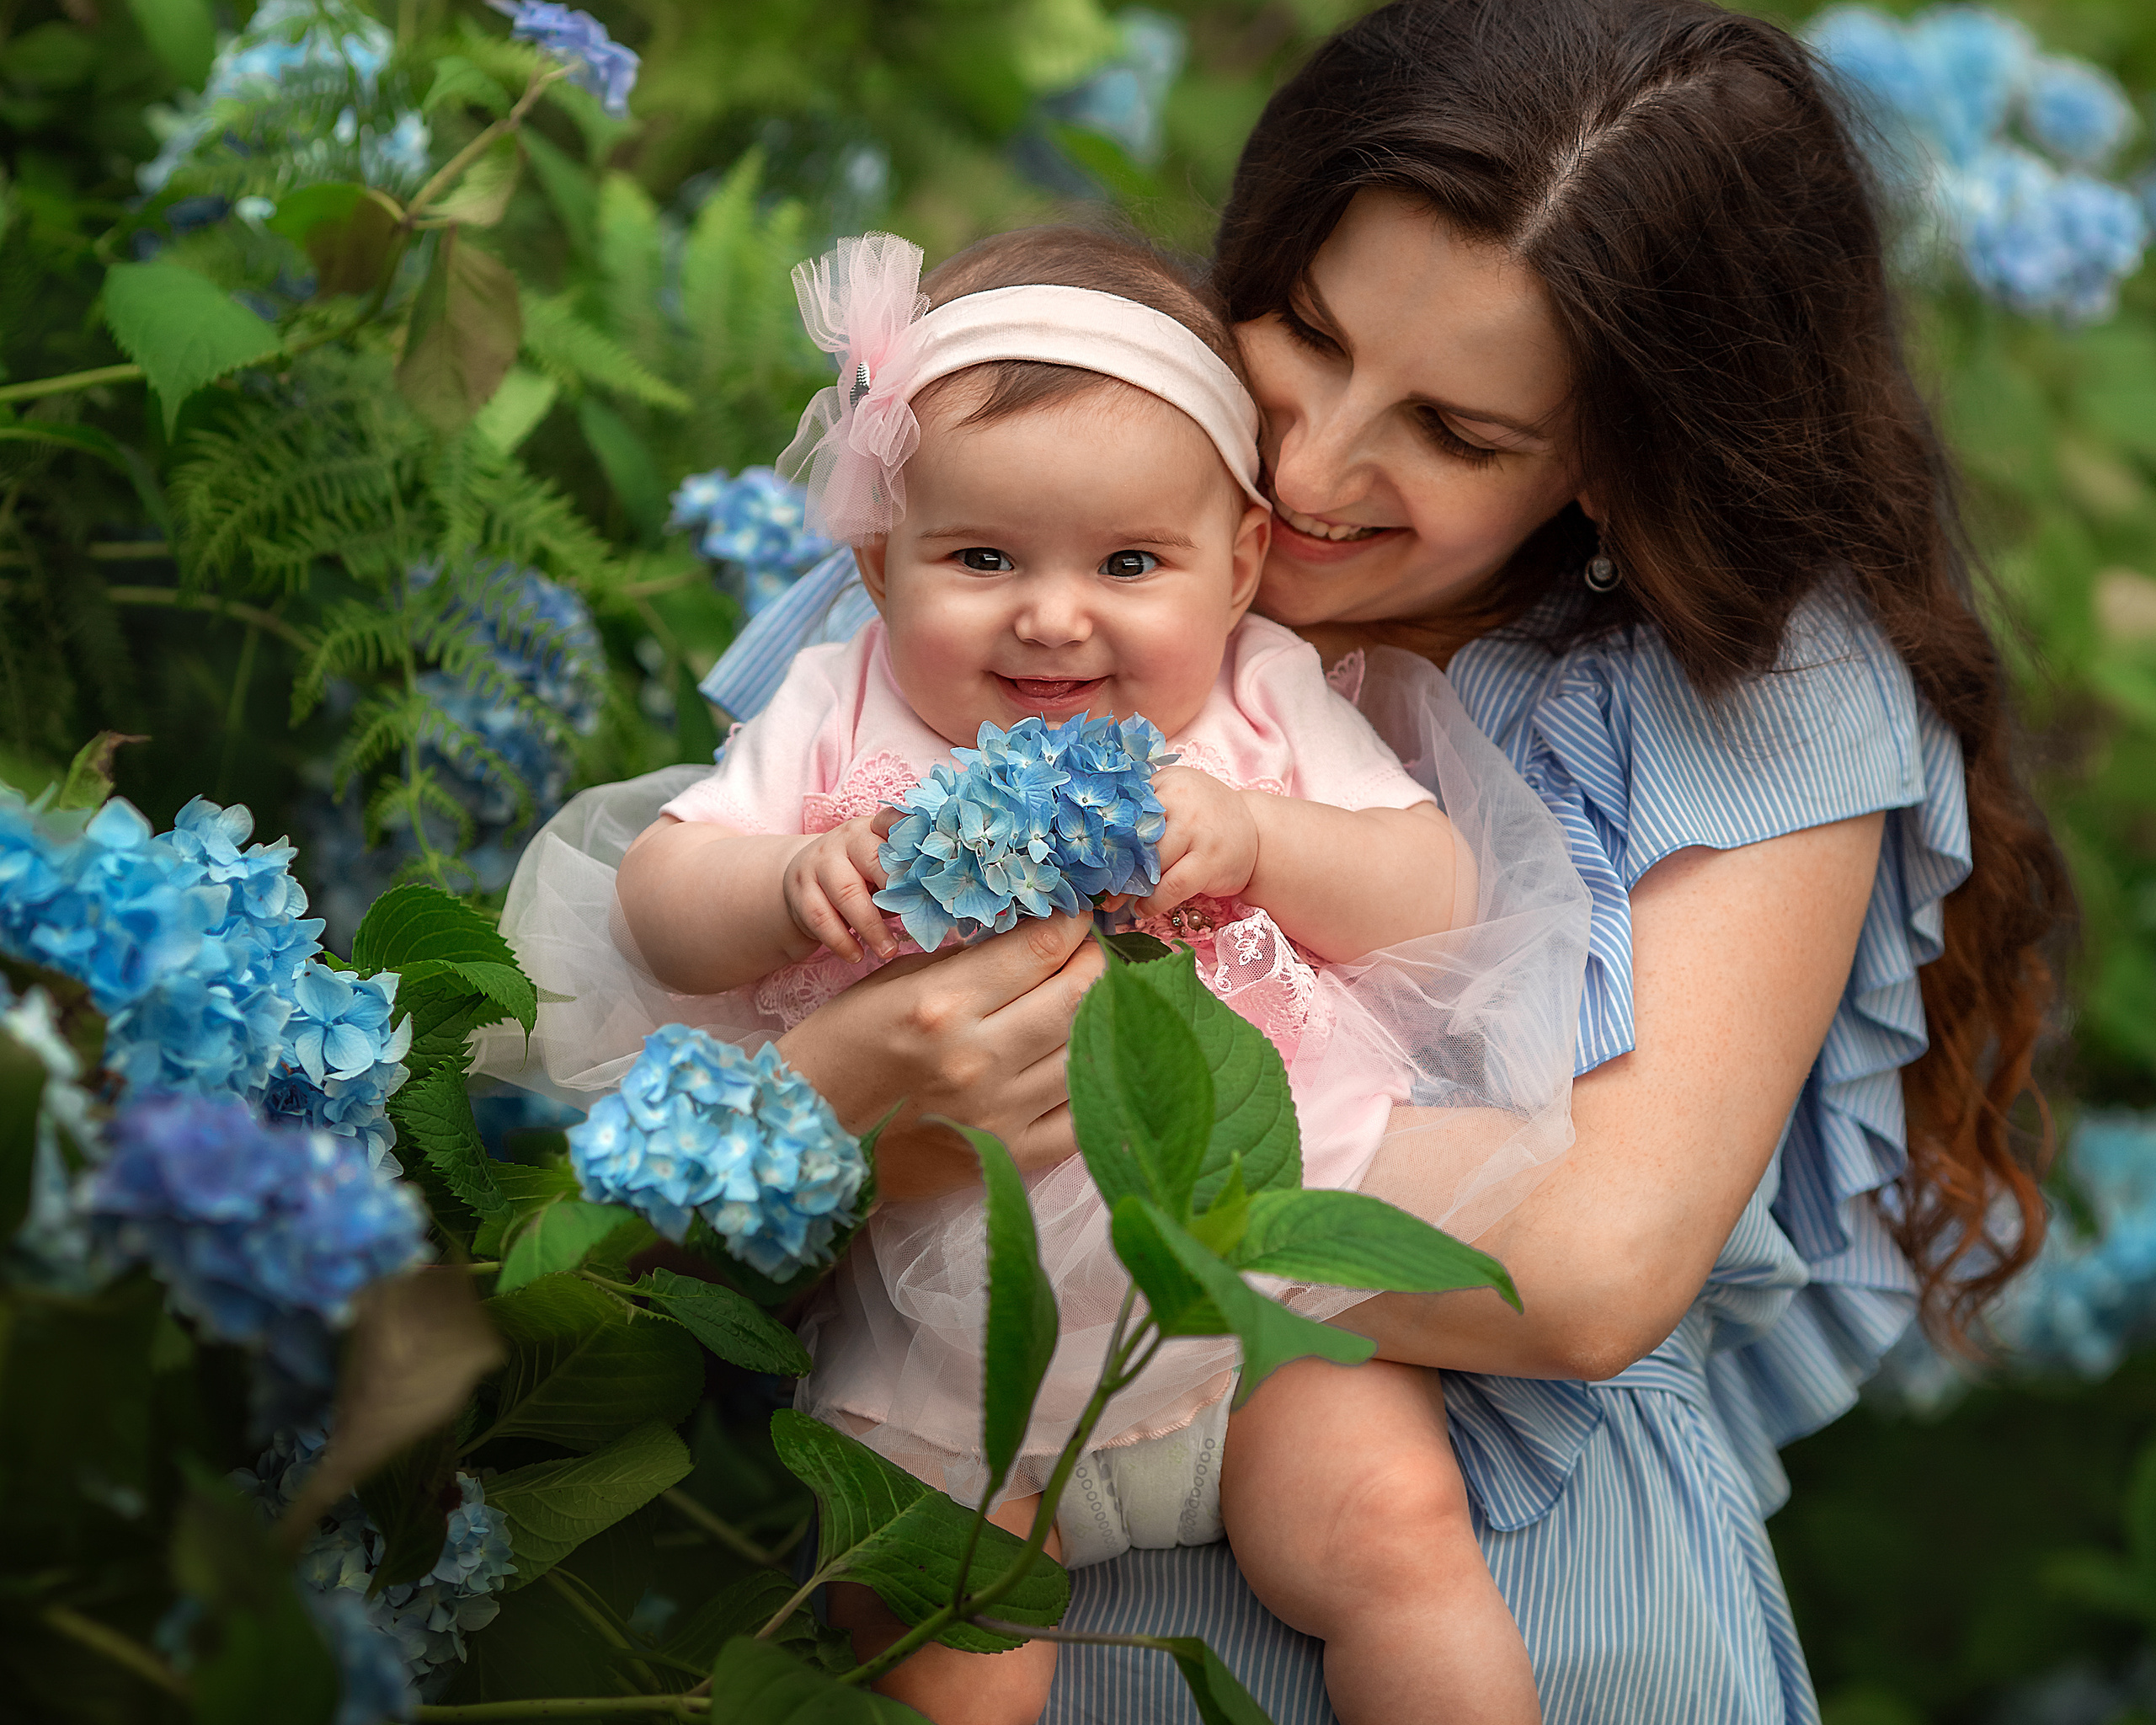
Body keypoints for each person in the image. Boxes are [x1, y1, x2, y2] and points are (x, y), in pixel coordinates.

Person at [616, 1, 2068, 1719]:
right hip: (1012, 1570)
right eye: (1303, 331)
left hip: (1524, 1601)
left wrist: (991, 1139)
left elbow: (1587, 1265)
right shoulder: (1022, 525)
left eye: (1455, 434)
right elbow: (657, 1174)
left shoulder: (1749, 681)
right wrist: (838, 1086)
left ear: (1615, 455)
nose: (1305, 464)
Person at [601, 224, 1579, 1725]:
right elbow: (657, 905)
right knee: (945, 1643)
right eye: (982, 558)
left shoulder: (1259, 695)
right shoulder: (837, 699)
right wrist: (782, 883)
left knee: (1394, 1542)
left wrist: (1258, 838)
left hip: (1260, 1284)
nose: (1054, 614)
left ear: (1240, 562)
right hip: (947, 1331)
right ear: (877, 559)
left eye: (1130, 562)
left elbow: (1436, 888)